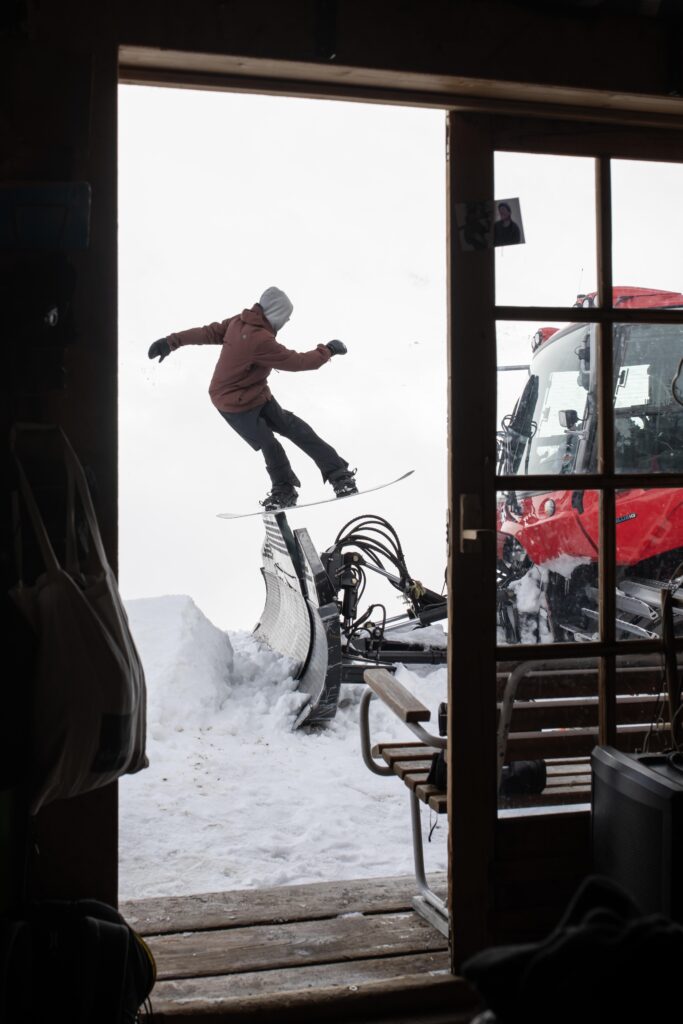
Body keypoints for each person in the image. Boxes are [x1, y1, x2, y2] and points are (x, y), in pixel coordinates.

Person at [148, 286, 357, 510]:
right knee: (269, 444)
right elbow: (299, 362)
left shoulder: (240, 322)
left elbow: (208, 332)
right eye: (285, 317)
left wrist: (171, 341)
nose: (286, 321)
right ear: (275, 313)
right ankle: (284, 491)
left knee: (296, 428)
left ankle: (339, 475)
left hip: (256, 393)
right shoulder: (259, 340)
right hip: (232, 404)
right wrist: (328, 350)